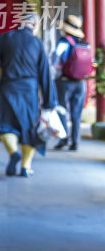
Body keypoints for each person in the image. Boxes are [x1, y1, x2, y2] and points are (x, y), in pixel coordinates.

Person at [0, 12, 56, 177]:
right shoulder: (37, 43)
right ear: (34, 25)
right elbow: (45, 74)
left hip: (8, 88)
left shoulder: (4, 38)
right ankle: (26, 167)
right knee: (29, 129)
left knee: (4, 125)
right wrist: (49, 101)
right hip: (29, 92)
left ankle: (13, 153)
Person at [51, 14, 93, 151]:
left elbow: (55, 61)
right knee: (77, 113)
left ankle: (63, 139)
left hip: (64, 81)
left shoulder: (64, 42)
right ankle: (75, 141)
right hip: (81, 83)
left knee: (62, 110)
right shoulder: (85, 43)